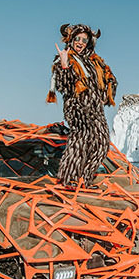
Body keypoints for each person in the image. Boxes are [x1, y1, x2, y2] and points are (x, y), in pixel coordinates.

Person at [47, 23, 117, 186]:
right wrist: (65, 66)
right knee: (81, 141)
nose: (80, 42)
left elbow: (111, 80)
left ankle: (84, 177)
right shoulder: (64, 58)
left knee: (102, 142)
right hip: (77, 108)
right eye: (77, 39)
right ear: (70, 39)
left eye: (84, 40)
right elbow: (63, 86)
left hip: (95, 109)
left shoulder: (96, 62)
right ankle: (68, 179)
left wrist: (105, 96)